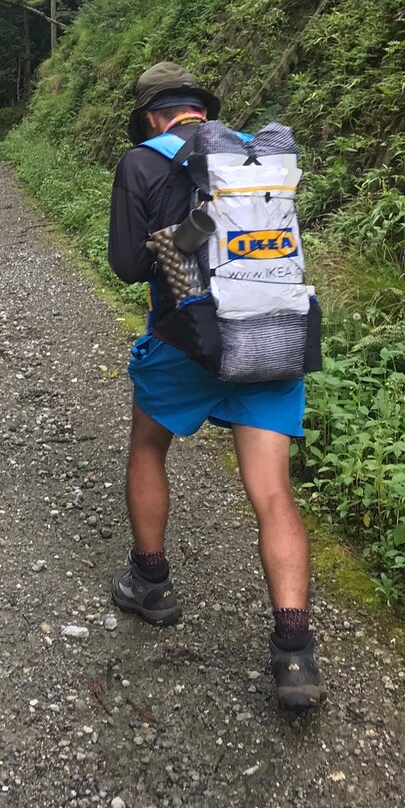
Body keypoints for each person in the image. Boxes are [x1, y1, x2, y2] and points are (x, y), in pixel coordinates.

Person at [107, 61, 326, 709]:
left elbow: (123, 266)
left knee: (148, 445)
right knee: (272, 490)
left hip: (189, 341)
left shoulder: (142, 162)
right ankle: (292, 651)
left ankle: (151, 582)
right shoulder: (254, 159)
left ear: (152, 115)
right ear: (200, 111)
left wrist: (165, 244)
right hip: (274, 336)